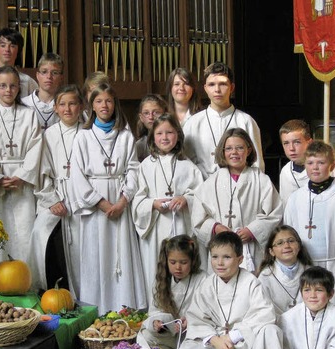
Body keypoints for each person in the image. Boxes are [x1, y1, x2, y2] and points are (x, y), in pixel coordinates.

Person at [171, 231, 289, 349]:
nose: (219, 263)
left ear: (240, 260)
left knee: (270, 331)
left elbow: (264, 313)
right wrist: (215, 340)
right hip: (217, 340)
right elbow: (197, 319)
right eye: (215, 257)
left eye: (226, 257)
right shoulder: (207, 285)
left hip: (245, 338)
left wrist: (233, 336)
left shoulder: (251, 282)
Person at [70, 83, 147, 313]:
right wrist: (102, 204)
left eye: (109, 101)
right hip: (97, 205)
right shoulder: (83, 137)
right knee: (97, 256)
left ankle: (125, 307)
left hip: (120, 200)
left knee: (121, 255)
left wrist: (123, 201)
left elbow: (133, 168)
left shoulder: (125, 136)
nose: (104, 105)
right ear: (92, 105)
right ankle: (98, 309)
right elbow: (77, 175)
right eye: (99, 101)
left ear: (115, 104)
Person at [132, 113, 203, 300]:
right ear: (152, 137)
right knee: (157, 269)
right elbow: (137, 200)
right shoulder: (146, 166)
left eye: (170, 132)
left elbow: (200, 195)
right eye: (159, 133)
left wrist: (186, 199)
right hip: (155, 228)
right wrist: (152, 204)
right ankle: (157, 310)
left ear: (178, 135)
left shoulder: (189, 167)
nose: (164, 138)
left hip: (180, 224)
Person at [191, 128, 283, 272]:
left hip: (252, 248)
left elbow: (275, 213)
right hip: (221, 248)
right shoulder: (211, 182)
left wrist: (252, 230)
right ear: (222, 152)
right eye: (229, 148)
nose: (234, 152)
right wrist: (215, 228)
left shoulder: (261, 180)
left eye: (239, 148)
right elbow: (198, 217)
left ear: (249, 150)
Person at [0, 66, 42, 265]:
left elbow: (35, 145)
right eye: (3, 86)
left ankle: (27, 277)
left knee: (25, 229)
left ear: (18, 88)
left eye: (13, 86)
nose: (8, 90)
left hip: (22, 181)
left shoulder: (29, 115)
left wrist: (23, 175)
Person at [284, 141, 335, 313]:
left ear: (331, 165)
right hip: (305, 268)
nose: (315, 168)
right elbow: (288, 236)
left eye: (321, 163)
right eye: (310, 163)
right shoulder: (296, 198)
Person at [28, 84, 83, 293]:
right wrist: (52, 200)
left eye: (72, 104)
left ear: (80, 106)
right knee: (41, 231)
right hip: (55, 194)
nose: (67, 109)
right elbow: (42, 172)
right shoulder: (48, 135)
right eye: (62, 104)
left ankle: (81, 292)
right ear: (55, 108)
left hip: (80, 197)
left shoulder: (87, 133)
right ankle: (47, 288)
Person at [183, 62, 264, 178]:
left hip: (240, 186)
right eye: (211, 84)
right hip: (202, 187)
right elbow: (187, 162)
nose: (217, 90)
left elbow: (257, 163)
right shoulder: (193, 123)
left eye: (223, 84)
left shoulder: (246, 121)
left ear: (232, 87)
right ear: (205, 88)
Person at [138, 235, 207, 349]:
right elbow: (154, 311)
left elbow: (206, 311)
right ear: (167, 261)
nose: (178, 267)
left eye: (183, 262)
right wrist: (156, 322)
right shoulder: (161, 280)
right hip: (169, 336)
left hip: (191, 335)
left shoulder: (202, 279)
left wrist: (190, 321)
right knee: (146, 335)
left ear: (192, 261)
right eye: (173, 262)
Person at [278, 119, 335, 203]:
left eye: (297, 142)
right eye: (286, 143)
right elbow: (286, 206)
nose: (291, 148)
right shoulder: (286, 172)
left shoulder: (325, 166)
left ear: (309, 142)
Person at [257, 226, 311, 317]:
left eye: (291, 241)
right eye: (280, 243)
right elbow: (263, 311)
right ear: (271, 251)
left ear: (299, 246)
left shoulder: (311, 272)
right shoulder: (265, 277)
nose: (286, 246)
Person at [0, 28, 38, 100]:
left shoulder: (27, 81)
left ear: (18, 50)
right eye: (3, 45)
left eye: (12, 46)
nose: (7, 50)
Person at [22, 53, 64, 130]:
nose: (49, 77)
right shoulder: (24, 104)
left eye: (54, 73)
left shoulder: (65, 106)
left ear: (61, 77)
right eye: (44, 72)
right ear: (37, 75)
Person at [134, 94, 168, 162]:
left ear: (165, 114)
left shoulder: (173, 139)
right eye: (146, 113)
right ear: (141, 117)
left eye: (156, 112)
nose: (151, 117)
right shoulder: (139, 145)